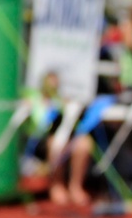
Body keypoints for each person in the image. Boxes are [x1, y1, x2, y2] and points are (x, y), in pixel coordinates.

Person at [27, 71, 96, 207]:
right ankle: (56, 185)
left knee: (84, 143)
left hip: (65, 138)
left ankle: (75, 187)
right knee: (56, 143)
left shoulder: (62, 102)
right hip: (40, 143)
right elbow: (38, 127)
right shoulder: (34, 100)